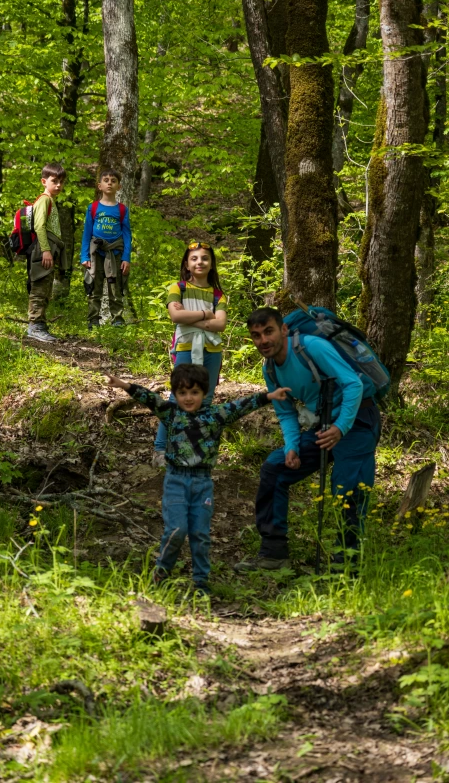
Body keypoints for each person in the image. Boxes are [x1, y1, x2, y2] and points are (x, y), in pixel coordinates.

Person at [106, 364, 290, 594]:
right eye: (182, 393)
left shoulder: (216, 416)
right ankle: (160, 574)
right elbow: (150, 399)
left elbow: (241, 406)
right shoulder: (171, 413)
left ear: (204, 392)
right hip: (176, 481)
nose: (188, 398)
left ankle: (201, 583)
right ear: (175, 394)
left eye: (194, 392)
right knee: (177, 530)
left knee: (200, 534)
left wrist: (268, 396)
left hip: (202, 483)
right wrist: (125, 385)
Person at [235, 307, 381, 572]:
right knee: (275, 469)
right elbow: (285, 412)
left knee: (347, 487)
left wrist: (341, 427)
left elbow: (353, 385)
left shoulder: (312, 347)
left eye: (268, 331)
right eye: (256, 336)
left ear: (284, 329)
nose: (263, 340)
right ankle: (274, 553)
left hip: (357, 419)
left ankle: (346, 563)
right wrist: (292, 447)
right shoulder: (270, 369)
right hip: (323, 425)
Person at [152, 241, 227, 467]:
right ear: (187, 263)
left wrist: (191, 318)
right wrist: (206, 314)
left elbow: (221, 324)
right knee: (178, 399)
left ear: (212, 264)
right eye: (194, 258)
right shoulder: (178, 288)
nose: (199, 262)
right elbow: (176, 317)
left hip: (212, 351)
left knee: (205, 399)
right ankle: (160, 450)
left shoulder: (218, 294)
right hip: (185, 348)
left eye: (204, 258)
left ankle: (194, 450)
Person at [80, 169, 132, 328]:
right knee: (94, 287)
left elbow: (127, 235)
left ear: (119, 187)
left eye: (113, 181)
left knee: (115, 288)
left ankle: (117, 320)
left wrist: (126, 258)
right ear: (99, 186)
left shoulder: (122, 209)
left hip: (115, 254)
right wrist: (84, 257)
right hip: (96, 254)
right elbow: (87, 233)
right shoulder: (93, 207)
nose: (110, 183)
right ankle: (93, 321)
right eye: (106, 180)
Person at [27, 163, 69, 342]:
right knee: (39, 287)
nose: (58, 185)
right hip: (44, 249)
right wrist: (45, 250)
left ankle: (40, 325)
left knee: (46, 288)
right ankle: (34, 326)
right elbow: (39, 226)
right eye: (54, 181)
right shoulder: (44, 200)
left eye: (61, 181)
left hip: (49, 248)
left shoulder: (50, 200)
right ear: (44, 181)